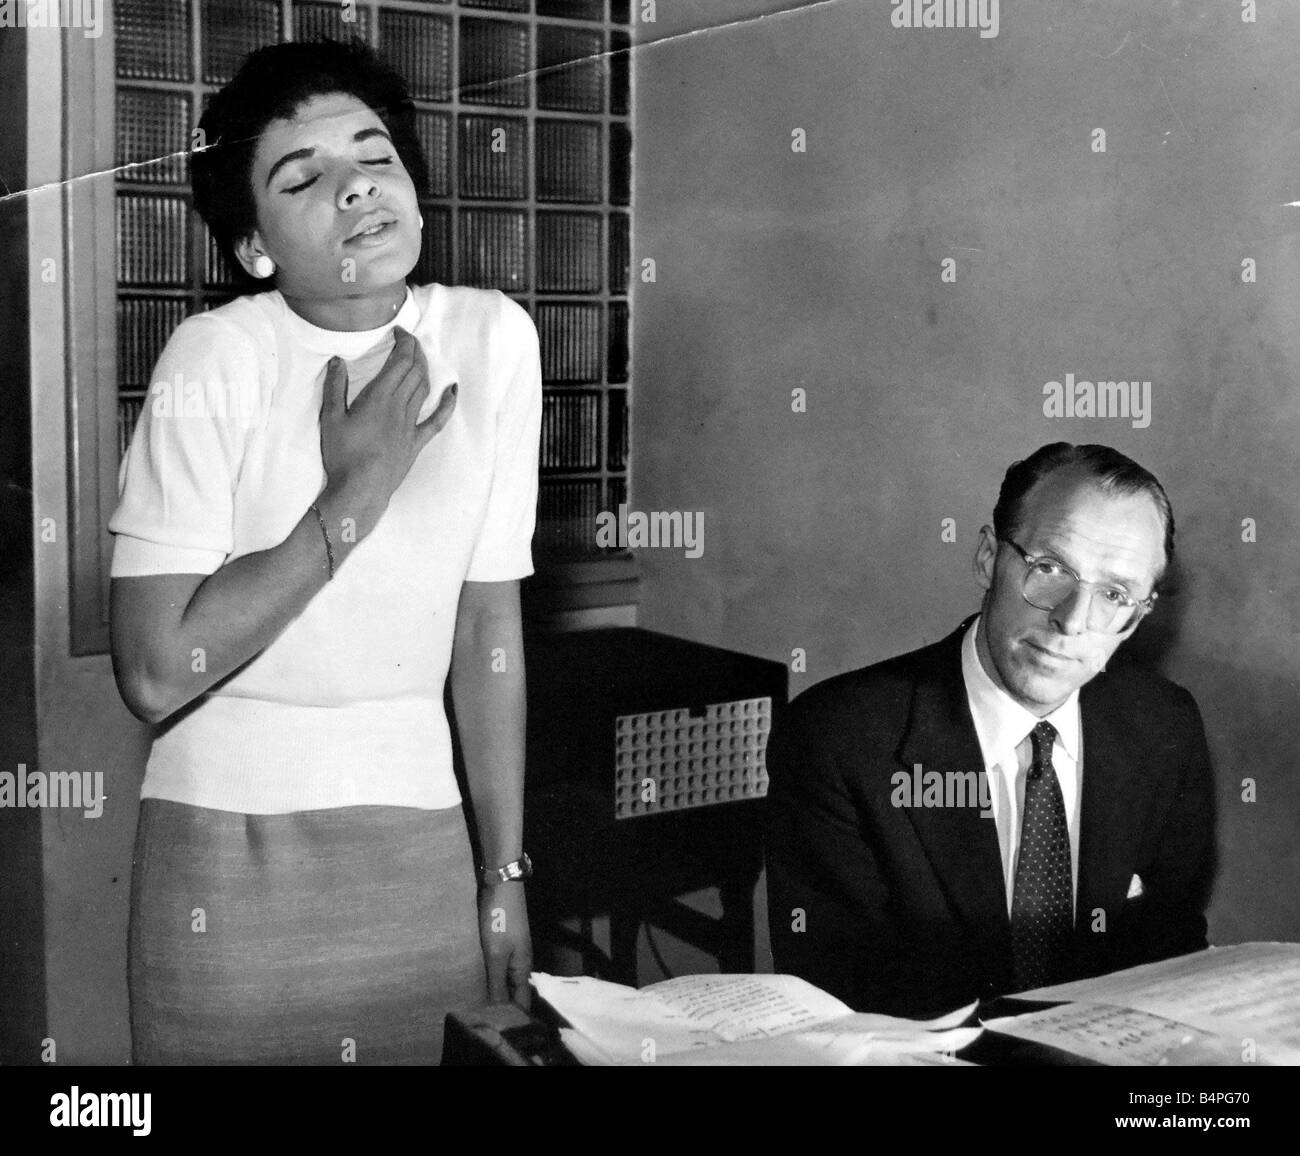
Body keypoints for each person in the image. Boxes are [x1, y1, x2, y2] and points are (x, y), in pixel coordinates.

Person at [108, 39, 541, 1064]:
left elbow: (488, 629)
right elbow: (156, 670)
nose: (355, 191)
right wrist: (350, 500)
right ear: (254, 245)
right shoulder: (216, 358)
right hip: (229, 859)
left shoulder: (494, 340)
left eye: (375, 157)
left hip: (424, 847)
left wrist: (501, 873)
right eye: (302, 178)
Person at [764, 443, 1216, 1017]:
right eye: (1049, 569)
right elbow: (837, 1002)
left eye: (1114, 595)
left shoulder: (1165, 727)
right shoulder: (840, 739)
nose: (1072, 621)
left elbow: (1173, 957)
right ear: (986, 558)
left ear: (1138, 617)